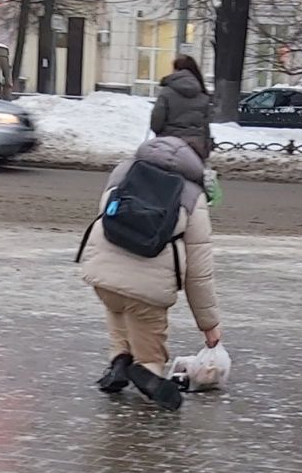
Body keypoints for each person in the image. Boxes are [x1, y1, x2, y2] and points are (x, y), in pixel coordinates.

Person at [77, 136, 222, 411]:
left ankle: (120, 359)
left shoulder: (123, 171)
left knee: (118, 303)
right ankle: (149, 372)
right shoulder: (192, 195)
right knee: (149, 337)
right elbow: (199, 271)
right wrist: (209, 324)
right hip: (149, 289)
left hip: (101, 273)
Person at [150, 55, 213, 160]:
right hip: (196, 146)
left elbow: (157, 121)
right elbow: (205, 125)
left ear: (176, 70)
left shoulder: (166, 92)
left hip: (169, 144)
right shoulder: (202, 94)